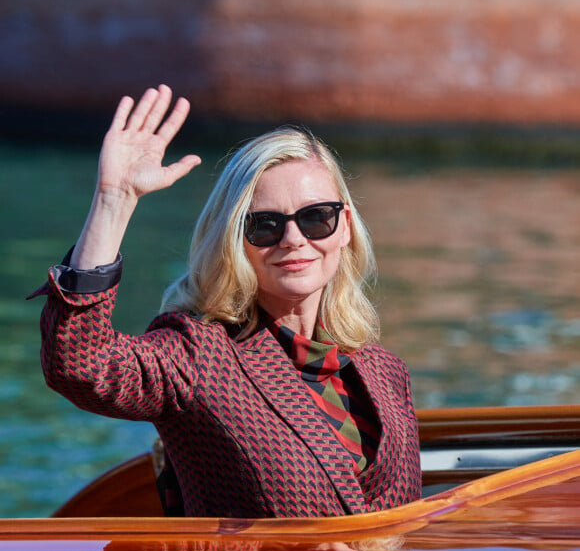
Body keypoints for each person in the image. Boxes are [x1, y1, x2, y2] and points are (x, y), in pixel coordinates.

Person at [33, 84, 421, 518]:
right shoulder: (197, 354)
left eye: (316, 218)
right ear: (234, 240)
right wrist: (113, 202)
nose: (294, 240)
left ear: (344, 226)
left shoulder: (384, 372)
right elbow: (80, 366)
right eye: (265, 225)